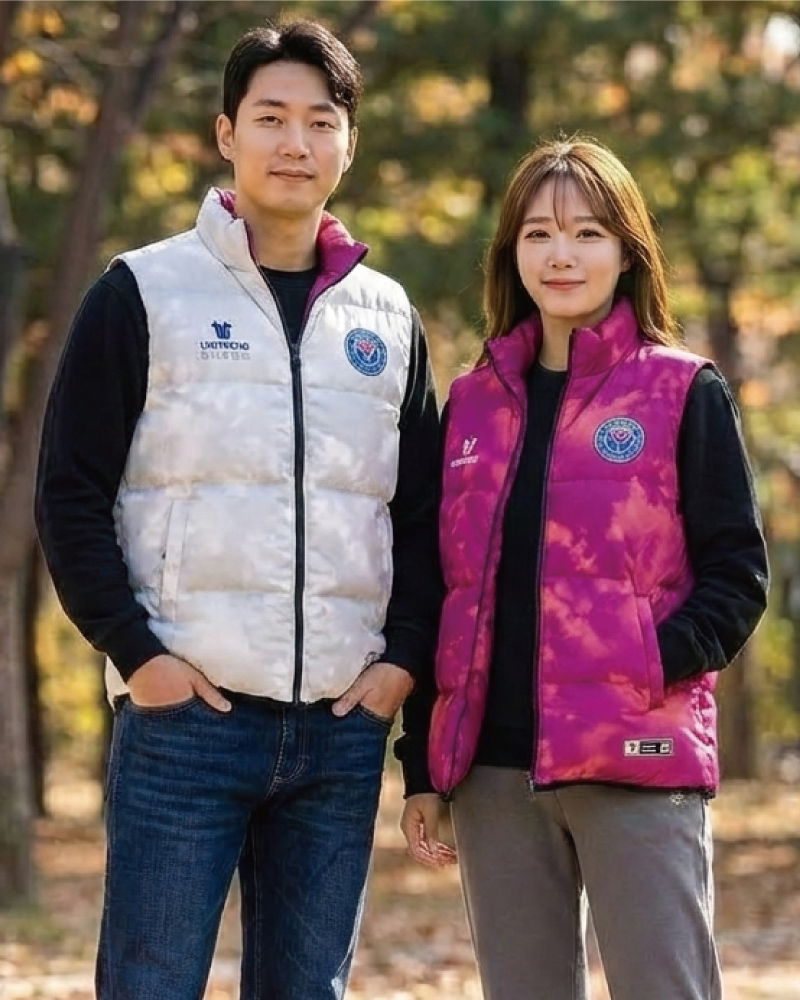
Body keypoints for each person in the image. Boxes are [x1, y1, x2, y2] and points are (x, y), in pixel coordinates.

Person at [35, 18, 441, 1000]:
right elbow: (70, 493)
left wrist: (397, 666)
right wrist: (140, 656)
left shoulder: (387, 319)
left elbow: (424, 518)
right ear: (226, 133)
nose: (295, 142)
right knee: (150, 987)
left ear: (349, 143)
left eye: (320, 121)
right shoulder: (141, 292)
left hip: (340, 731)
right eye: (270, 118)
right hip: (185, 721)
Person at [396, 137, 769, 1000]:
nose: (561, 254)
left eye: (587, 233)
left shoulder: (682, 390)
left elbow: (737, 576)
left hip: (636, 753)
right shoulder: (472, 404)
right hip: (492, 774)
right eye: (538, 233)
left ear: (627, 251)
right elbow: (440, 591)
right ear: (511, 253)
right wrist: (423, 764)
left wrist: (645, 663)